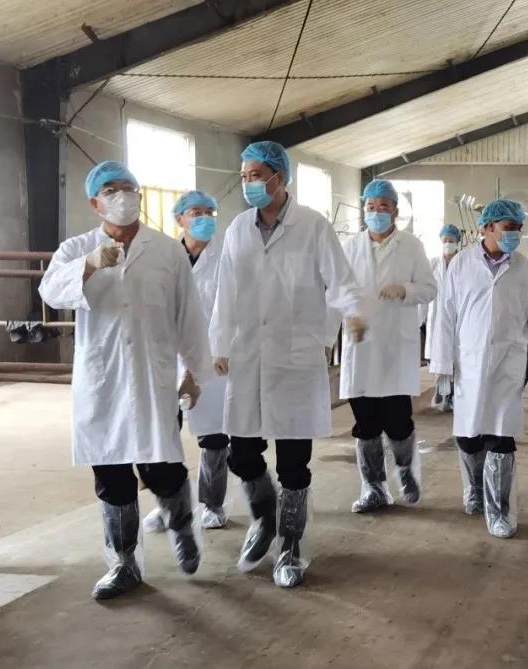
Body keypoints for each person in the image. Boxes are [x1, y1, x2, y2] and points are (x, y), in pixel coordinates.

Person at [39, 161, 212, 600]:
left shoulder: (166, 250)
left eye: (128, 188)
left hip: (155, 377)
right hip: (105, 382)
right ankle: (123, 563)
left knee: (163, 469)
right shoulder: (78, 248)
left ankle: (182, 528)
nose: (122, 196)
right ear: (95, 203)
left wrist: (193, 372)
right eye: (111, 190)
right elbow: (50, 292)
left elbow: (189, 315)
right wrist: (90, 265)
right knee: (112, 475)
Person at [209, 141, 366, 588]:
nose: (249, 184)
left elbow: (340, 279)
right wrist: (219, 343)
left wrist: (353, 312)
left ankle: (292, 545)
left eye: (256, 175)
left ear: (280, 177)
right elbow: (225, 289)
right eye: (244, 176)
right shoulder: (238, 228)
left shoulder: (313, 226)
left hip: (294, 356)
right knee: (242, 452)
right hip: (248, 353)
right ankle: (265, 518)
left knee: (294, 461)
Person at [431, 199, 528, 538]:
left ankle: (500, 512)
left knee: (501, 435)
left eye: (517, 228)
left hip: (508, 362)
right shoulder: (461, 264)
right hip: (467, 362)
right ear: (487, 227)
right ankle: (474, 487)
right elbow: (445, 317)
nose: (514, 234)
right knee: (469, 436)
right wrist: (442, 366)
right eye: (508, 228)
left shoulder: (523, 267)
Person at [341, 180, 438, 514]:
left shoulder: (411, 246)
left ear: (395, 210)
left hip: (396, 346)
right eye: (371, 206)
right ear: (364, 210)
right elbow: (336, 288)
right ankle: (373, 489)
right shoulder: (350, 247)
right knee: (365, 424)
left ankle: (406, 471)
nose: (377, 212)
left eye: (384, 206)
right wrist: (349, 315)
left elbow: (430, 288)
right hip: (361, 345)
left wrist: (405, 290)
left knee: (398, 421)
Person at [143, 190, 231, 535]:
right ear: (179, 218)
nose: (204, 218)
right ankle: (170, 505)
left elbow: (232, 307)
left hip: (213, 355)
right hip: (167, 357)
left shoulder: (227, 256)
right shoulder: (162, 256)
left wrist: (220, 352)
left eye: (209, 212)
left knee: (214, 435)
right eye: (196, 212)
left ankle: (212, 503)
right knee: (165, 432)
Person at [423, 224, 462, 413]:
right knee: (437, 358)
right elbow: (424, 291)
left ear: (457, 242)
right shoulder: (432, 264)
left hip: (457, 318)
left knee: (454, 359)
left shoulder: (463, 264)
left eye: (451, 241)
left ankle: (451, 395)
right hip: (436, 317)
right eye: (445, 240)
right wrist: (420, 318)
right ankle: (440, 389)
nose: (447, 244)